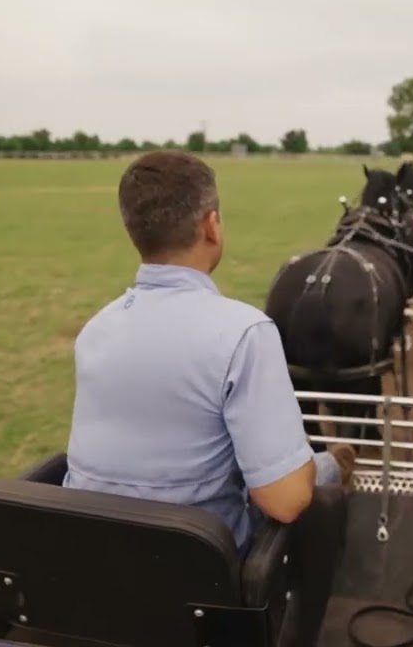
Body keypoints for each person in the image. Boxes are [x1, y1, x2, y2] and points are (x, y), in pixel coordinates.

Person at [62, 150, 355, 555]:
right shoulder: (244, 333)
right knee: (322, 473)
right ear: (212, 226)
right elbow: (284, 502)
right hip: (201, 574)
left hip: (94, 553)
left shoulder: (95, 329)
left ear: (134, 232)